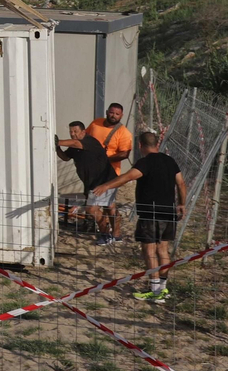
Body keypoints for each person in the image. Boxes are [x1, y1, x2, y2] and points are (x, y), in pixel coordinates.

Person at [90, 131, 185, 302]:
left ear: (140, 145)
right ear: (158, 143)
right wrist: (182, 204)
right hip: (168, 212)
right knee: (163, 249)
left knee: (149, 250)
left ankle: (155, 291)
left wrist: (105, 186)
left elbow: (127, 177)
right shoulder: (170, 161)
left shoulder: (145, 162)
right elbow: (181, 183)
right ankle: (162, 288)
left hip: (150, 213)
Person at [54, 120, 116, 241]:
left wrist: (58, 141)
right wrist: (57, 148)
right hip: (91, 183)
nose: (73, 134)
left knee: (95, 209)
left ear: (83, 131)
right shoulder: (74, 146)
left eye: (75, 131)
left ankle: (107, 234)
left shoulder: (89, 141)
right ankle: (110, 234)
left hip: (105, 180)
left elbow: (76, 143)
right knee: (103, 208)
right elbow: (66, 157)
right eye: (71, 131)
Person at [84, 102, 132, 242]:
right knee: (109, 205)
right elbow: (85, 137)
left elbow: (124, 154)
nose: (114, 116)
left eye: (117, 114)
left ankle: (106, 233)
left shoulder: (124, 133)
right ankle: (116, 234)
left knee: (94, 208)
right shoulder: (96, 123)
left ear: (121, 115)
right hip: (93, 172)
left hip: (109, 174)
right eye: (111, 112)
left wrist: (104, 159)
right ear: (107, 112)